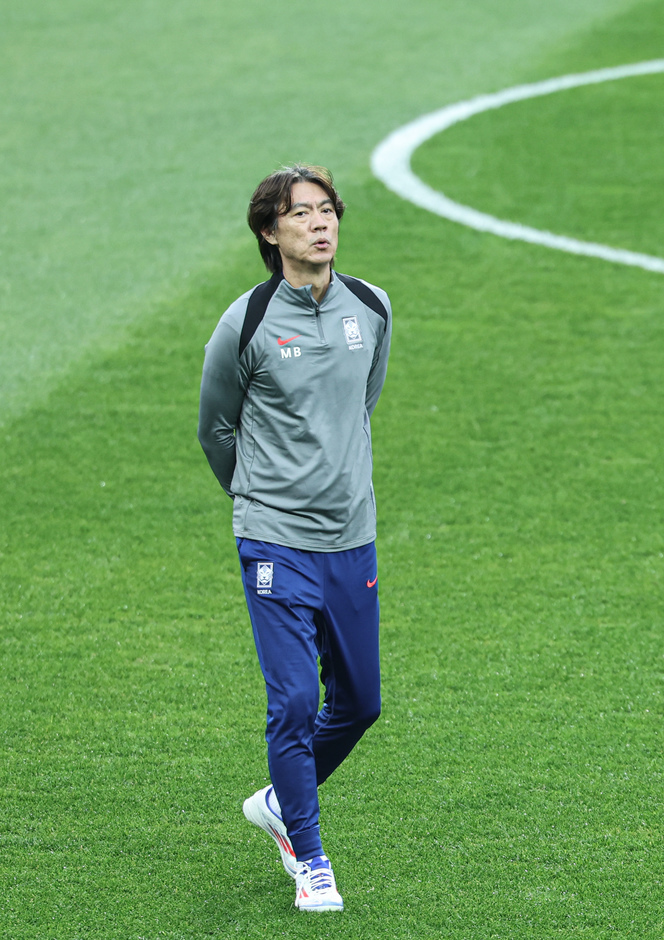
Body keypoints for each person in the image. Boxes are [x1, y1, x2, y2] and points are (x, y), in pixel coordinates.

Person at [197, 164, 392, 912]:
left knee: (361, 702)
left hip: (351, 538)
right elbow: (216, 428)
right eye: (302, 213)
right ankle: (311, 858)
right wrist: (257, 500)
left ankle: (279, 802)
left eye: (328, 210)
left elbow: (360, 401)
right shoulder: (244, 322)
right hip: (274, 541)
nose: (321, 223)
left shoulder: (370, 308)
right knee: (291, 702)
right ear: (269, 233)